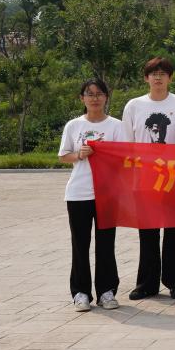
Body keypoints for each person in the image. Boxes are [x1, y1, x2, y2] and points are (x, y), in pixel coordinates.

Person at [121, 57, 175, 302]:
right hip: (145, 178)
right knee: (148, 232)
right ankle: (147, 283)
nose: (158, 77)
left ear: (170, 77)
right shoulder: (134, 106)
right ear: (146, 78)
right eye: (153, 73)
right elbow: (127, 144)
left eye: (163, 73)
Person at [58, 78, 125, 312]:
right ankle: (80, 293)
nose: (94, 98)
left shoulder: (117, 126)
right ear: (82, 98)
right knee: (80, 244)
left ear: (106, 97)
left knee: (106, 244)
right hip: (79, 193)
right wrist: (80, 154)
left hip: (108, 194)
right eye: (89, 94)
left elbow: (124, 158)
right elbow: (63, 156)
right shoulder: (73, 125)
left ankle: (107, 291)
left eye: (99, 94)